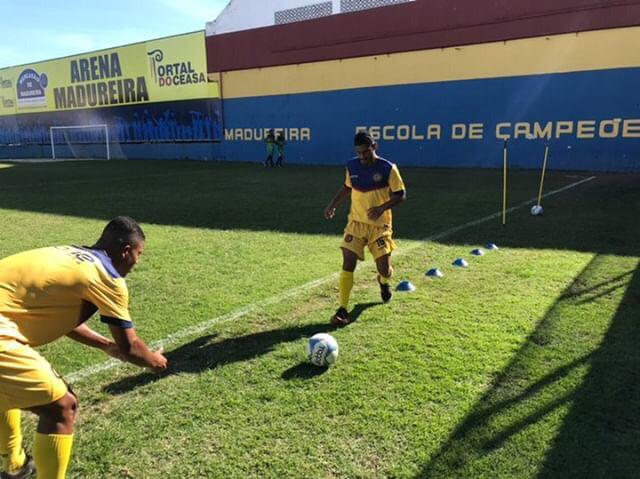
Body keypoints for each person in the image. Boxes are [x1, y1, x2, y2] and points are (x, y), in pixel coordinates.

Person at [0, 216, 167, 479]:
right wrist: (157, 362)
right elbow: (132, 347)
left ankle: (15, 465)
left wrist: (104, 345)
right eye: (139, 254)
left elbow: (57, 317)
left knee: (6, 390)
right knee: (62, 406)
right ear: (126, 251)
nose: (137, 262)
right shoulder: (107, 276)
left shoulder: (70, 253)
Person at [324, 131, 406, 326]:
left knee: (384, 269)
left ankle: (383, 282)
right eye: (358, 153)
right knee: (348, 260)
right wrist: (333, 204)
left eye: (365, 152)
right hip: (356, 224)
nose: (362, 157)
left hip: (380, 227)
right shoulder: (351, 166)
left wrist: (381, 208)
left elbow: (400, 194)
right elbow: (347, 187)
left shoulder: (388, 168)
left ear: (374, 147)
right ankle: (343, 309)